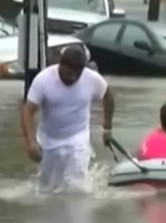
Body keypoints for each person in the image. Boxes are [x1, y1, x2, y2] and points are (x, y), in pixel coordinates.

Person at [21, 46, 115, 193]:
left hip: (78, 138)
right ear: (61, 65)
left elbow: (108, 95)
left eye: (77, 75)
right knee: (46, 189)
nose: (72, 78)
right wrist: (31, 142)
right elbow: (28, 110)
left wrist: (107, 128)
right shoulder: (43, 80)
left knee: (76, 186)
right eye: (68, 73)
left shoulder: (91, 78)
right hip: (48, 140)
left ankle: (76, 214)